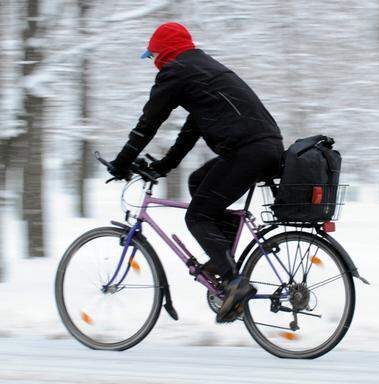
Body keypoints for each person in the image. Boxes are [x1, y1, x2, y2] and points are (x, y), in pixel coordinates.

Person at [107, 22, 284, 323]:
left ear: (163, 51)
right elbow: (192, 128)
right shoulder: (201, 68)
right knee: (198, 182)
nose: (154, 63)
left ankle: (235, 282)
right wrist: (165, 165)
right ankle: (222, 260)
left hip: (248, 151)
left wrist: (122, 161)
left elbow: (149, 122)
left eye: (153, 56)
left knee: (197, 215)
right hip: (264, 147)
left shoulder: (176, 71)